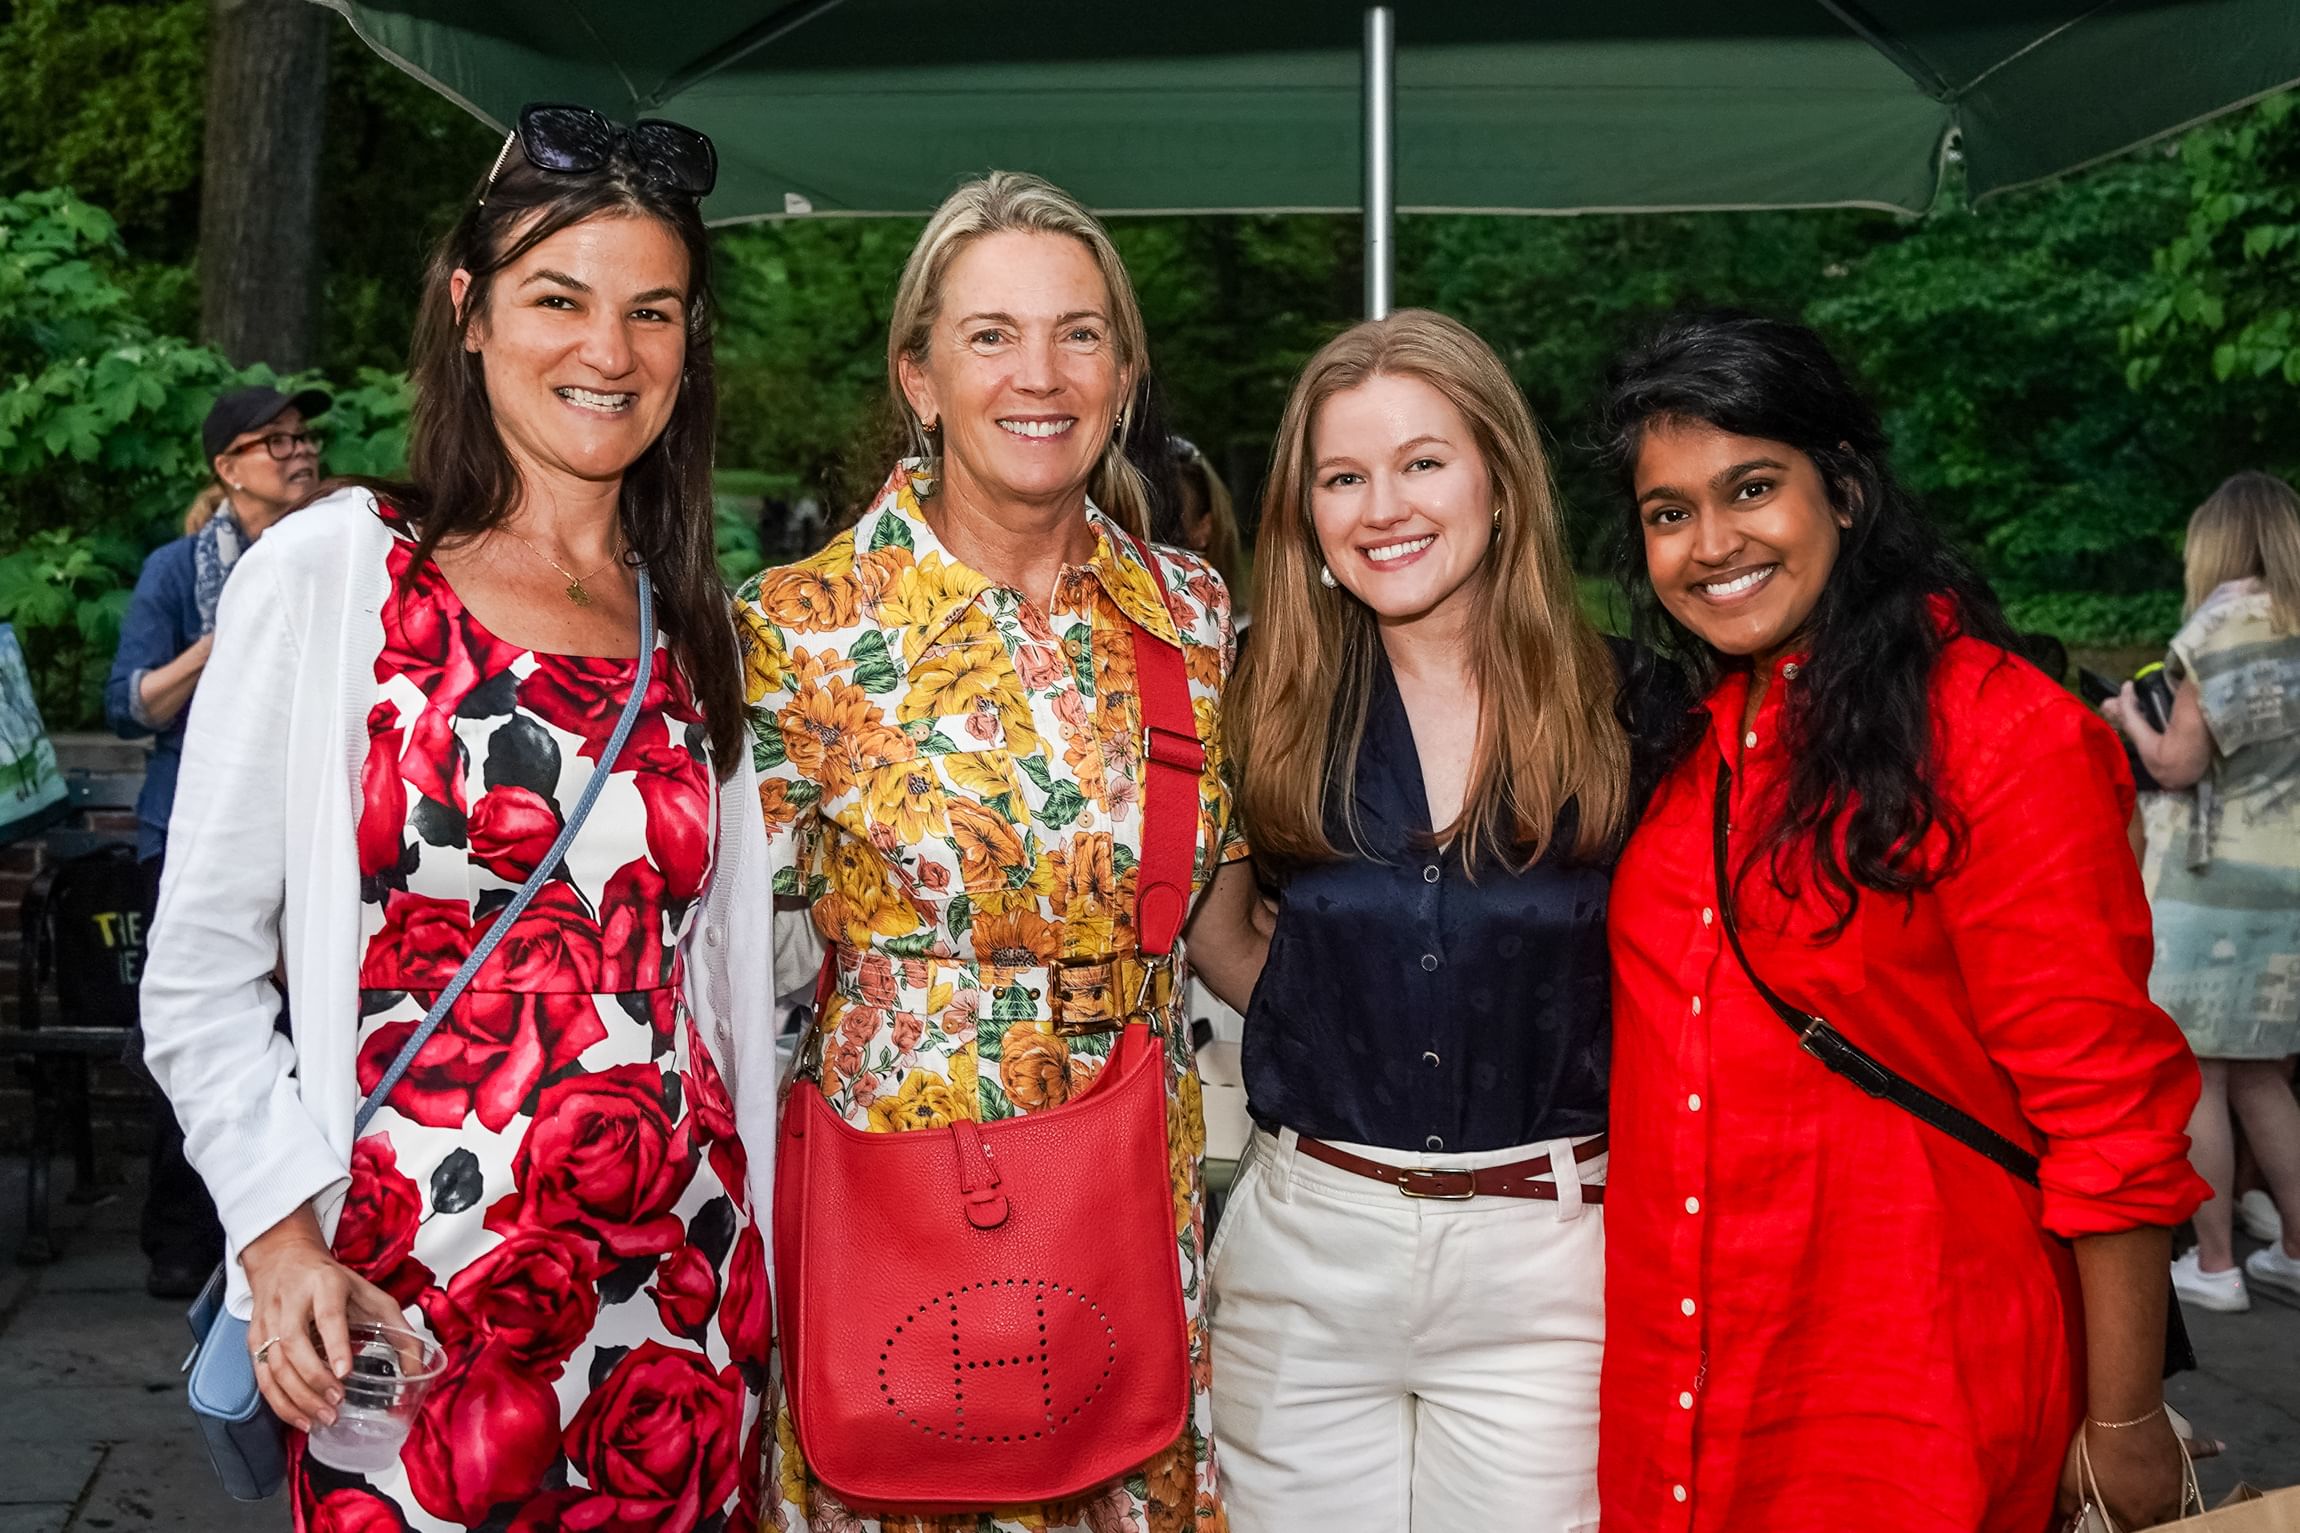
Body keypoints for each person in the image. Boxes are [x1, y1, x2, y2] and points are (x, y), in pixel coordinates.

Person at [139, 105, 780, 1527]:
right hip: (401, 1306)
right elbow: (196, 969)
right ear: (468, 311)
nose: (608, 352)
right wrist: (274, 1235)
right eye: (560, 299)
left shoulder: (695, 627)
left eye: (652, 311)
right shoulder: (337, 572)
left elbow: (725, 988)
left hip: (678, 1294)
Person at [1595, 311, 2209, 1533]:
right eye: (1668, 513)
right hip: (1681, 1399)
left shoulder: (2001, 735)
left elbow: (2109, 1117)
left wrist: (2126, 1420)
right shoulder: (1678, 750)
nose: (1710, 545)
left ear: (1844, 489)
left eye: (1750, 488)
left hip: (1910, 1397)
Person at [738, 169, 1263, 1533]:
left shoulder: (1192, 614)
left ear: (1126, 369)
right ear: (920, 376)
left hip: (1130, 1208)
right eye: (992, 335)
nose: (1042, 373)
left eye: (1080, 333)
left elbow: (1225, 916)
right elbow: (701, 948)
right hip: (901, 1210)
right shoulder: (795, 628)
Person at [1211, 309, 1632, 1530]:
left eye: (1422, 462)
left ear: (1499, 480)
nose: (1381, 505)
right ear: (1308, 520)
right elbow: (1217, 932)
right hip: (1309, 1251)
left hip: (1548, 1265)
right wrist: (1348, 1018)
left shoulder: (1630, 705)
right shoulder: (1254, 706)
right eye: (1342, 476)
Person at [103, 382, 327, 1298]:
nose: (299, 452)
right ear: (227, 468)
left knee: (304, 1040)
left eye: (304, 437)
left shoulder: (338, 562)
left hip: (310, 840)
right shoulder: (176, 571)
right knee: (210, 1030)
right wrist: (235, 621)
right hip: (188, 839)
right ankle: (182, 1238)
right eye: (272, 443)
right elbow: (129, 703)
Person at [2105, 471, 2300, 1313]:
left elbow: (2178, 763)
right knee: (2266, 1078)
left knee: (2202, 1077)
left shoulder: (2220, 626)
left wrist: (2126, 715)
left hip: (2209, 884)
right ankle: (2294, 1248)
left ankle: (2214, 1263)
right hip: (2288, 874)